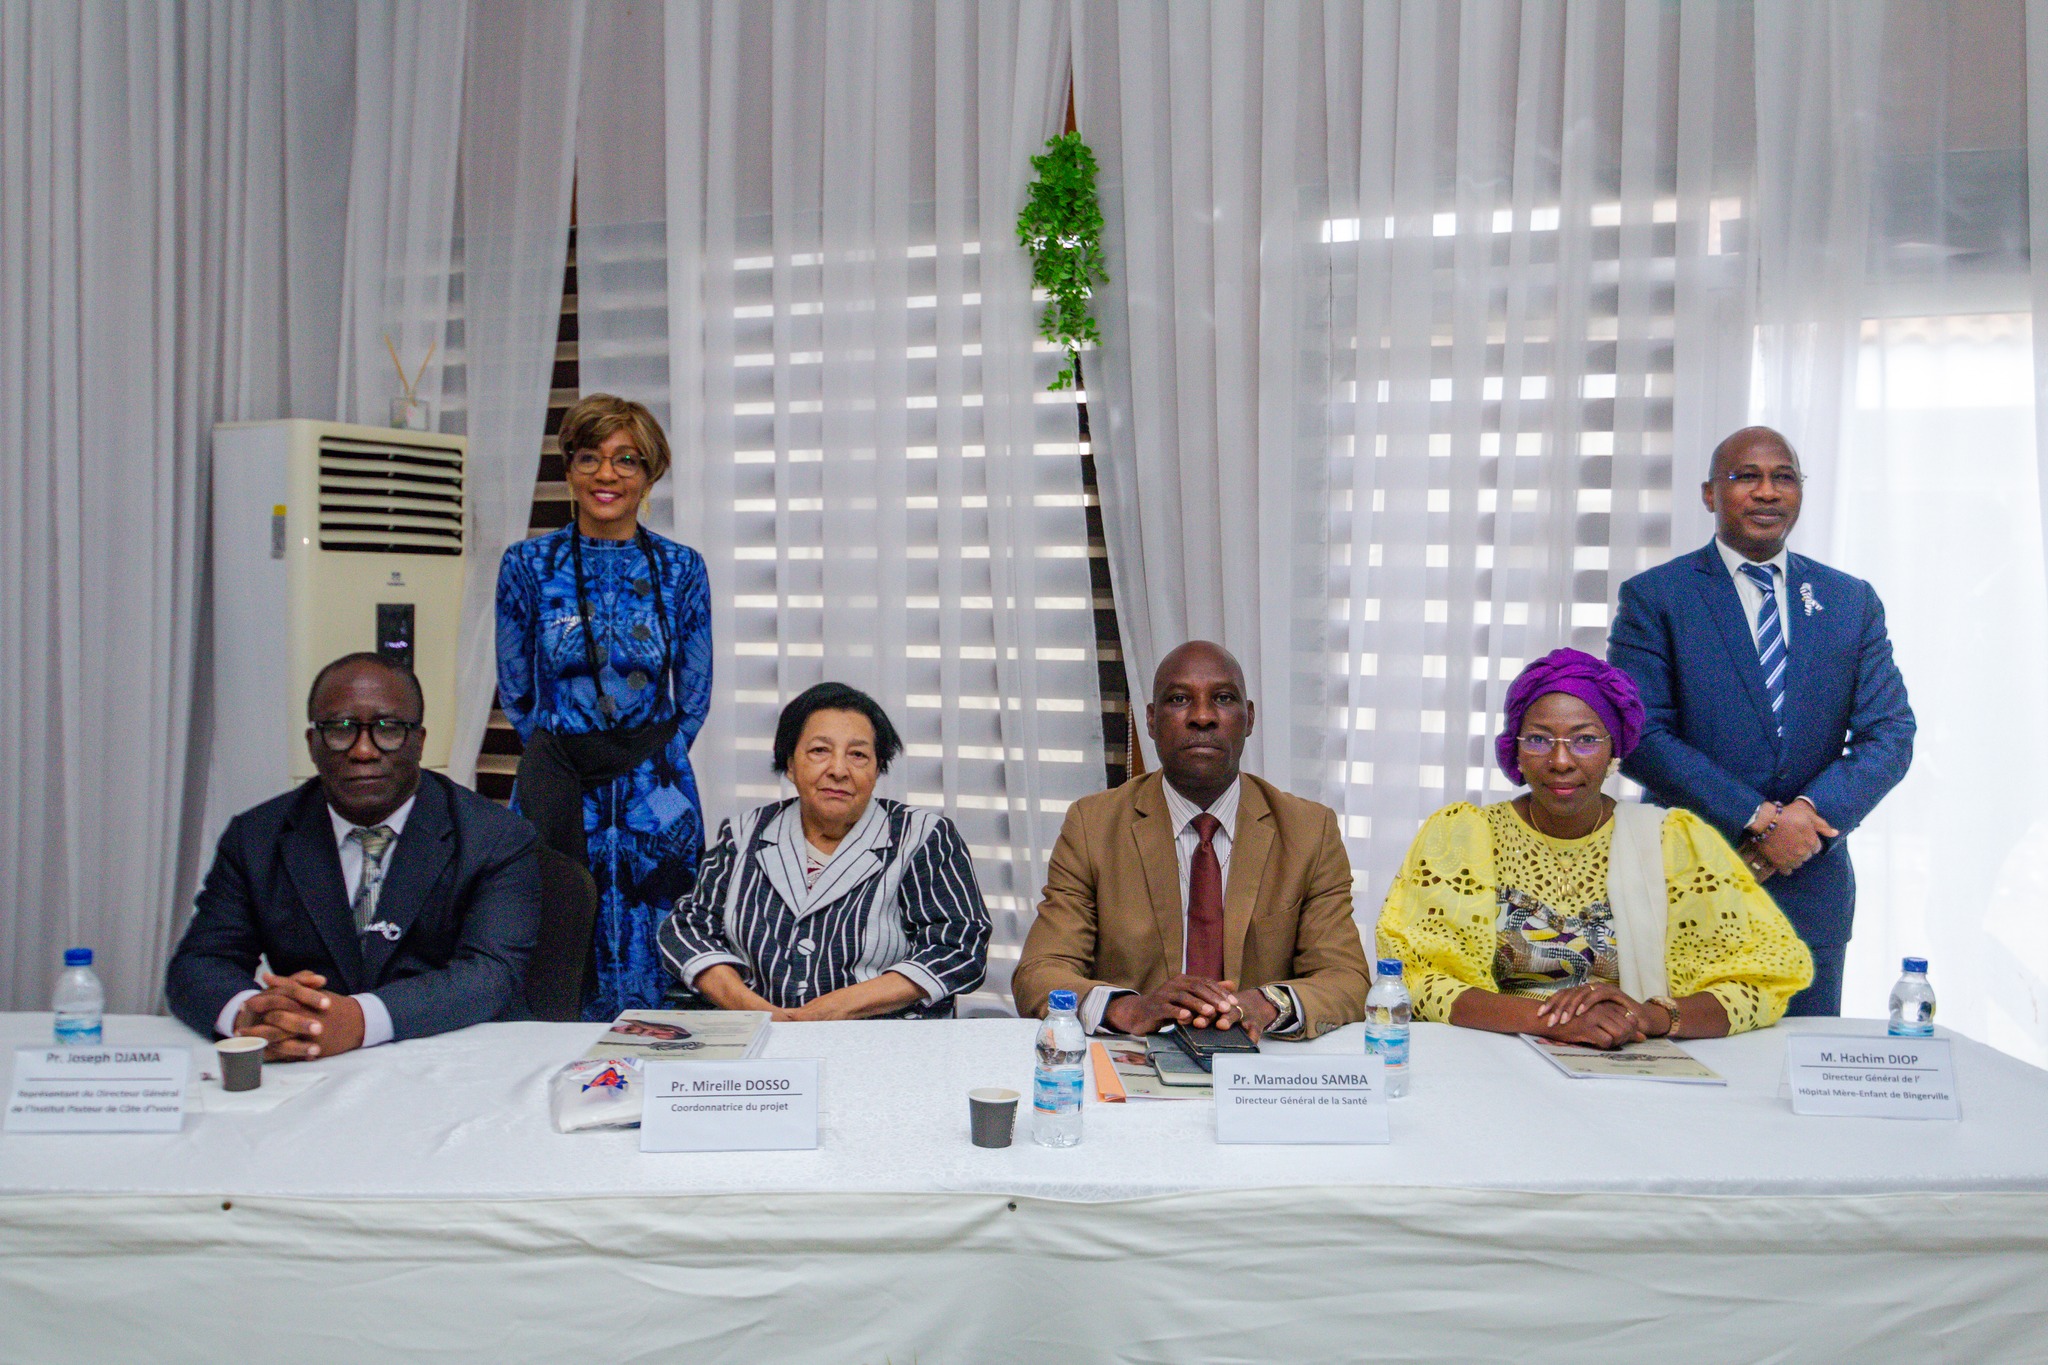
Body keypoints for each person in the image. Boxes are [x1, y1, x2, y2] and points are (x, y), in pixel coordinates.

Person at [1608, 426, 1914, 1016]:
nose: (1767, 492)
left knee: (1800, 1079)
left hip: (1810, 881)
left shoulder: (1851, 600)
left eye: (1784, 478)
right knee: (1683, 1070)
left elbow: (1890, 734)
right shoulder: (1656, 597)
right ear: (1709, 495)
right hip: (1687, 877)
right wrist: (1757, 819)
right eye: (1746, 476)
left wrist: (1807, 818)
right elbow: (1641, 735)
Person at [1376, 649, 1813, 1048]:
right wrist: (1551, 1021)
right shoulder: (1463, 836)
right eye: (1539, 739)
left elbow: (1759, 982)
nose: (1561, 761)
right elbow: (1417, 979)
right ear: (1516, 749)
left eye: (1585, 740)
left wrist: (1649, 1015)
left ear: (1614, 751)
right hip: (1492, 1059)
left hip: (1631, 1060)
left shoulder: (1674, 841)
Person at [166, 653, 541, 1057]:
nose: (363, 750)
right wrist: (251, 1016)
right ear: (312, 744)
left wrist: (360, 1020)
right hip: (303, 1065)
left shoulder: (495, 836)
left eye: (389, 729)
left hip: (446, 1059)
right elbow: (200, 964)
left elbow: (491, 974)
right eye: (341, 729)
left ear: (419, 742)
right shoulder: (257, 837)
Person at [1013, 641, 1370, 1041]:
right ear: (1150, 721)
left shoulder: (1308, 831)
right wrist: (1131, 1008)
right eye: (1180, 699)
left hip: (1261, 1067)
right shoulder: (1093, 825)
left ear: (1248, 718)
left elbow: (1347, 978)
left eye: (1222, 698)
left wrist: (1265, 1004)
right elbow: (1039, 972)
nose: (1202, 716)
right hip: (1135, 1063)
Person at [496, 393, 714, 1021]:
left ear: (650, 475)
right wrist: (568, 754)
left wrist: (653, 764)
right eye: (589, 458)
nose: (607, 475)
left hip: (656, 782)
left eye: (626, 460)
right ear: (569, 470)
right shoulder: (528, 566)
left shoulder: (681, 569)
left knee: (662, 929)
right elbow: (516, 690)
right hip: (558, 774)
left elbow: (693, 694)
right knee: (555, 927)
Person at [658, 683, 990, 1019]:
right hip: (759, 1035)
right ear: (789, 764)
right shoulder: (743, 836)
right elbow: (688, 928)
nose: (838, 770)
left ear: (877, 771)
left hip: (880, 1039)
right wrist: (752, 1008)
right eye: (819, 751)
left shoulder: (922, 837)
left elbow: (959, 947)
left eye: (858, 755)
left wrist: (837, 1008)